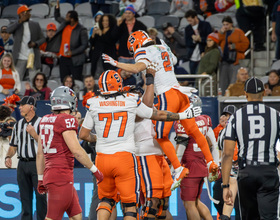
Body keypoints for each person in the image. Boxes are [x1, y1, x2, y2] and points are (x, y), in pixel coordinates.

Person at [102, 30, 218, 190]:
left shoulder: (143, 51)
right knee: (194, 130)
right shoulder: (162, 47)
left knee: (160, 135)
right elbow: (174, 60)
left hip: (167, 94)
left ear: (135, 43)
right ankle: (211, 161)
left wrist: (117, 63)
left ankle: (178, 168)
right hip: (181, 92)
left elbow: (137, 67)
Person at [79, 69, 200, 220]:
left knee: (106, 201)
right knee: (130, 206)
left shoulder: (93, 102)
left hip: (102, 158)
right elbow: (156, 114)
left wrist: (100, 138)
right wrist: (182, 115)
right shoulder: (129, 100)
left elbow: (83, 135)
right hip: (124, 157)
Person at [36, 86, 103, 220]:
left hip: (53, 175)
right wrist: (95, 170)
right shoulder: (66, 120)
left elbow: (40, 154)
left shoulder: (44, 120)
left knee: (76, 217)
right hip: (61, 177)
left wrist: (40, 178)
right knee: (52, 217)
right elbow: (77, 151)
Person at [222, 77, 280, 219]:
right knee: (269, 217)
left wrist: (225, 186)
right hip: (268, 171)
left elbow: (227, 154)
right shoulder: (276, 115)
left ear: (245, 93)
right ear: (264, 93)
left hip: (247, 172)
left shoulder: (236, 116)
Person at [174, 94, 218, 220]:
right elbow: (213, 144)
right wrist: (213, 163)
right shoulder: (204, 119)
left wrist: (175, 169)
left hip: (190, 167)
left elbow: (181, 150)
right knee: (196, 202)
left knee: (189, 205)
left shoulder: (184, 122)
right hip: (202, 164)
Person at [5, 96, 47, 220]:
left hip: (38, 164)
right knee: (25, 198)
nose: (20, 107)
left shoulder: (42, 123)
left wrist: (34, 134)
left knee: (41, 197)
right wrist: (8, 156)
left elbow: (47, 145)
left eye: (22, 105)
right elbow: (13, 145)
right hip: (22, 164)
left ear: (31, 107)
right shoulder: (18, 125)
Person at [7, 5, 45, 82]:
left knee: (36, 81)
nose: (27, 14)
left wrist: (35, 43)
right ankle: (15, 94)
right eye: (24, 12)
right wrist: (19, 21)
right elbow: (8, 30)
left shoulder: (35, 24)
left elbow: (43, 38)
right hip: (20, 57)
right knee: (16, 81)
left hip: (33, 57)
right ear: (20, 14)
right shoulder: (16, 25)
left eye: (28, 12)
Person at [54, 0, 88, 82]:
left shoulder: (81, 29)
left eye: (67, 17)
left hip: (75, 59)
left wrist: (72, 52)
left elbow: (84, 45)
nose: (65, 18)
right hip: (63, 59)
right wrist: (57, 7)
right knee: (64, 80)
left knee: (76, 81)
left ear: (72, 19)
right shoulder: (65, 24)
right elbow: (57, 17)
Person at [218, 16, 249, 95]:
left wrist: (235, 46)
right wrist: (221, 33)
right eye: (224, 24)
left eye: (227, 24)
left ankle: (233, 96)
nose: (225, 26)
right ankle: (223, 97)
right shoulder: (222, 33)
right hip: (224, 61)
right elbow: (216, 42)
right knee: (223, 82)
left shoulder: (238, 32)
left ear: (231, 24)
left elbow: (246, 44)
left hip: (235, 61)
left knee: (234, 81)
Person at [89, 14, 118, 78]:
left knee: (108, 77)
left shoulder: (113, 31)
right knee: (96, 77)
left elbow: (110, 42)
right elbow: (92, 43)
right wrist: (93, 34)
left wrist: (101, 34)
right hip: (97, 57)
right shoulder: (99, 30)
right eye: (103, 21)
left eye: (106, 21)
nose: (104, 22)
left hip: (108, 58)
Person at [184, 10, 212, 74]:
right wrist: (193, 40)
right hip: (192, 56)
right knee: (193, 76)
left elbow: (210, 39)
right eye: (188, 21)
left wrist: (201, 39)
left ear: (195, 17)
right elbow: (187, 43)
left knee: (200, 75)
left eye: (190, 20)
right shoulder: (187, 28)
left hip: (203, 54)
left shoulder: (206, 25)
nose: (189, 23)